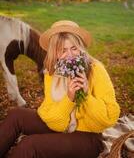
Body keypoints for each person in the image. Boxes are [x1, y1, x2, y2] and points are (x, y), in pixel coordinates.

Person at [0, 20, 120, 158]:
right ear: (55, 52)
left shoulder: (96, 69)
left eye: (74, 48)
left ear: (81, 47)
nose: (69, 55)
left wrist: (86, 96)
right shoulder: (53, 72)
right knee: (16, 115)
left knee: (29, 144)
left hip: (88, 138)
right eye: (62, 50)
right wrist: (69, 100)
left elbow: (109, 119)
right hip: (62, 127)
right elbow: (53, 120)